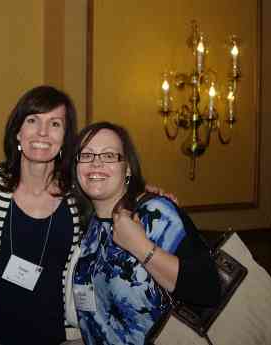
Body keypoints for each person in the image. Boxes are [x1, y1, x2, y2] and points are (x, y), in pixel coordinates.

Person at [71, 121, 221, 345]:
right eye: (87, 155)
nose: (96, 163)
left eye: (109, 155)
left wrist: (141, 247)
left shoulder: (155, 213)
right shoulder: (91, 226)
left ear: (128, 168)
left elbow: (208, 289)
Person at [0, 85, 82, 345]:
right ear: (17, 132)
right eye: (33, 120)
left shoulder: (77, 197)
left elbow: (117, 196)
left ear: (65, 138)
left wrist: (149, 194)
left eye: (55, 123)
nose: (42, 132)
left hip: (58, 337)